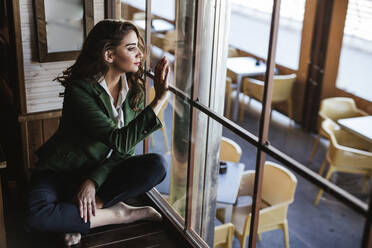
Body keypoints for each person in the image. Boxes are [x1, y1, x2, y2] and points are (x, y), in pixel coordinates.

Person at [25, 19, 170, 246]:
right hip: (60, 171)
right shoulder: (80, 90)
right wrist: (159, 100)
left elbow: (125, 150)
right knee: (36, 214)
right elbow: (118, 140)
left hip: (99, 171)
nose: (140, 54)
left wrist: (93, 181)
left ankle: (80, 214)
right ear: (109, 55)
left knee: (158, 165)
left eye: (138, 47)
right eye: (131, 48)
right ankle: (121, 214)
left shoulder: (134, 90)